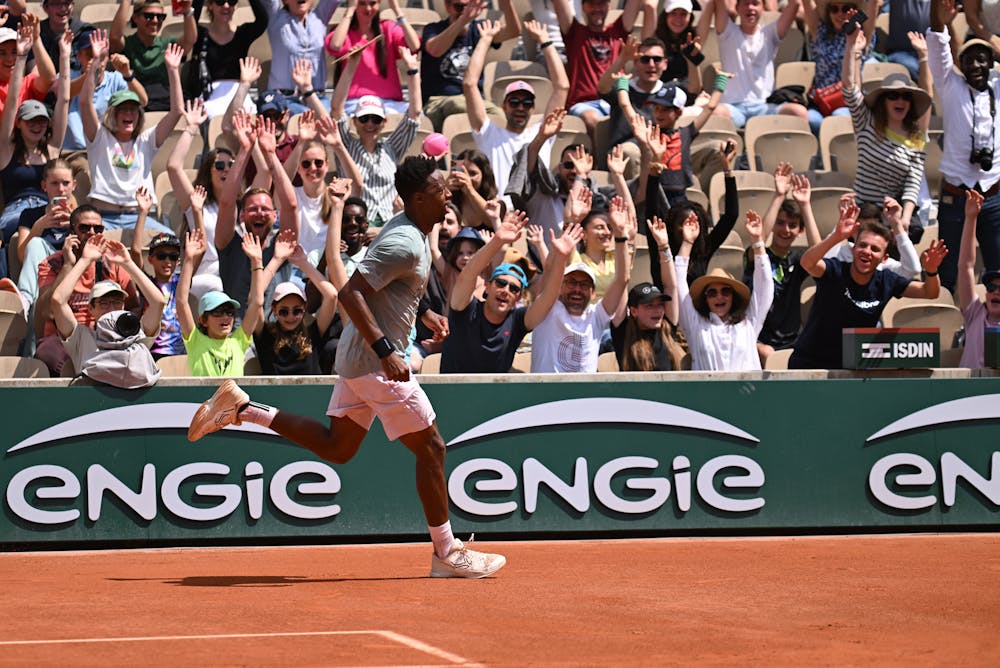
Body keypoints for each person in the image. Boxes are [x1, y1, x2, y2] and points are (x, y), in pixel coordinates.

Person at [188, 156, 507, 579]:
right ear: (416, 199)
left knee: (338, 447)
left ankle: (243, 409)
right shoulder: (405, 241)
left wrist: (424, 313)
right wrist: (386, 348)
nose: (447, 196)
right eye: (439, 192)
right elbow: (351, 291)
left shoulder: (405, 227)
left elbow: (384, 290)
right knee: (432, 448)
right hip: (375, 363)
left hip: (359, 361)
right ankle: (447, 552)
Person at [789, 200, 949, 369]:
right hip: (810, 364)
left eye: (875, 249)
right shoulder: (835, 271)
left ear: (884, 258)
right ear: (853, 249)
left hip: (853, 369)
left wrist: (931, 271)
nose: (867, 251)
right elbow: (808, 263)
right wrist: (836, 236)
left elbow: (929, 292)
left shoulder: (887, 280)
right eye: (862, 245)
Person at [441, 211, 583, 373]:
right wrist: (497, 241)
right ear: (487, 286)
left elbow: (548, 299)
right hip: (453, 395)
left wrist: (562, 259)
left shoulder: (517, 321)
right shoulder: (464, 309)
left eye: (514, 288)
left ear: (518, 299)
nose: (506, 290)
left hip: (495, 396)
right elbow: (468, 275)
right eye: (501, 283)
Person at [927, 0, 1000, 291]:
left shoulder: (998, 86)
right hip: (955, 195)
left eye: (983, 58)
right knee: (947, 271)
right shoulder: (950, 85)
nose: (976, 65)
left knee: (997, 273)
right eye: (969, 59)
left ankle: (994, 332)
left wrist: (990, 40)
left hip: (993, 196)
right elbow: (937, 46)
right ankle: (945, 328)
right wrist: (939, 17)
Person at [80, 30, 181, 233]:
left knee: (171, 241)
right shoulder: (99, 137)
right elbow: (84, 103)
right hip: (103, 219)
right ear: (112, 114)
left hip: (139, 217)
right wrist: (97, 63)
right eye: (123, 110)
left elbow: (177, 111)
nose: (129, 114)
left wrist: (173, 70)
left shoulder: (146, 141)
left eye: (133, 110)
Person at [463, 19, 569, 202]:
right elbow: (469, 83)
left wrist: (545, 41)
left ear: (533, 108)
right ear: (503, 106)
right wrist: (486, 39)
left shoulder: (542, 132)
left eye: (527, 103)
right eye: (514, 101)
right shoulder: (489, 133)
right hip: (497, 214)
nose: (520, 107)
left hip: (535, 216)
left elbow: (562, 87)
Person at [842, 28, 930, 236]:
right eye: (893, 96)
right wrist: (852, 49)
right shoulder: (866, 121)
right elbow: (849, 86)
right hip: (862, 218)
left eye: (906, 97)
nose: (900, 101)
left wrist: (905, 220)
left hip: (892, 220)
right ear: (883, 101)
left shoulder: (915, 136)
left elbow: (913, 182)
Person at [530, 195, 631, 373]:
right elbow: (550, 269)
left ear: (593, 294)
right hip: (545, 398)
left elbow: (622, 278)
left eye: (584, 285)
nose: (577, 289)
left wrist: (621, 234)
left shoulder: (596, 316)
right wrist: (571, 222)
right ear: (560, 286)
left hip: (583, 399)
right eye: (572, 282)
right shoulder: (546, 311)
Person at [33, 205, 138, 375]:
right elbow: (46, 311)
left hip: (105, 337)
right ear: (71, 231)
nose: (91, 232)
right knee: (54, 354)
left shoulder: (112, 264)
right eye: (84, 228)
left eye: (98, 228)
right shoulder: (52, 264)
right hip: (63, 339)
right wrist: (68, 265)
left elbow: (133, 305)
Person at [328, 47, 423, 227]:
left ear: (384, 122)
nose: (370, 124)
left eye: (376, 119)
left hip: (390, 221)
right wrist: (352, 65)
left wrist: (412, 71)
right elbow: (336, 109)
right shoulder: (346, 144)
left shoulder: (391, 147)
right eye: (364, 118)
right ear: (355, 121)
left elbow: (414, 114)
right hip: (355, 224)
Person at [215, 114, 298, 316]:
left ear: (274, 215)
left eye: (265, 209)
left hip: (276, 329)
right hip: (237, 329)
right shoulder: (230, 243)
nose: (259, 213)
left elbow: (291, 206)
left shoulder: (283, 243)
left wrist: (271, 155)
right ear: (242, 216)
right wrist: (245, 150)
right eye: (252, 209)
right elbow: (226, 203)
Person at [51, 234, 165, 372]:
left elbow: (158, 303)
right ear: (91, 308)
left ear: (123, 306)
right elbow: (58, 300)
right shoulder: (80, 337)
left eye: (117, 302)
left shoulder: (135, 334)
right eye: (104, 303)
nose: (112, 308)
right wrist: (85, 260)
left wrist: (127, 264)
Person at [675, 210, 773, 370]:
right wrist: (687, 243)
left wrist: (757, 242)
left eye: (725, 292)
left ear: (733, 297)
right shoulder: (695, 324)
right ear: (705, 298)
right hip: (707, 394)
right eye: (712, 293)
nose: (719, 297)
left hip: (746, 394)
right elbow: (678, 284)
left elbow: (765, 286)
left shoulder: (749, 323)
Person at [743, 164, 821, 366]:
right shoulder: (757, 255)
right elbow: (759, 237)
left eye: (792, 225)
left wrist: (805, 205)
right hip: (757, 339)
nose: (785, 229)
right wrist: (779, 195)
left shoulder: (798, 259)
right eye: (781, 223)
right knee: (768, 354)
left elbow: (819, 253)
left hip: (792, 341)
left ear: (800, 231)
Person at [0, 19, 66, 249]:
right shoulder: (6, 149)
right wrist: (20, 58)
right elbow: (10, 105)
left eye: (41, 121)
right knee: (20, 234)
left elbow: (63, 102)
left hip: (49, 207)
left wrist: (65, 59)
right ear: (19, 124)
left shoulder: (51, 149)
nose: (37, 126)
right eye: (30, 121)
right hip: (16, 212)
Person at [419, 0, 521, 131]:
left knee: (500, 115)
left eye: (468, 7)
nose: (465, 11)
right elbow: (435, 50)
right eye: (459, 6)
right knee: (458, 104)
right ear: (447, 7)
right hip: (437, 101)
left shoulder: (480, 29)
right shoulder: (433, 29)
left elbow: (513, 31)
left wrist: (506, 3)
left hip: (474, 99)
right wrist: (463, 20)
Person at [551, 0, 642, 138]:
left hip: (615, 101)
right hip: (584, 103)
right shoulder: (574, 32)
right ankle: (599, 159)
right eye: (591, 4)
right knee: (592, 119)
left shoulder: (618, 31)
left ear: (609, 6)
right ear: (582, 7)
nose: (597, 8)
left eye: (601, 3)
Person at [712, 0, 809, 128]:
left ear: (763, 8)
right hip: (732, 107)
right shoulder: (727, 32)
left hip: (764, 107)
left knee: (798, 112)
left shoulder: (770, 33)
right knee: (716, 112)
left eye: (755, 3)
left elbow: (795, 3)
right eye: (746, 3)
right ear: (737, 8)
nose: (750, 8)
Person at [611, 215, 686, 371]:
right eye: (649, 305)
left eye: (659, 305)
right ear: (634, 311)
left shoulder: (666, 328)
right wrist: (626, 242)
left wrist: (664, 246)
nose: (658, 310)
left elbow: (671, 286)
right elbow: (621, 281)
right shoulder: (623, 332)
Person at [324, 0, 420, 116]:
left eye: (373, 3)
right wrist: (350, 10)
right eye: (362, 3)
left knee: (418, 117)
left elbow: (414, 46)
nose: (368, 9)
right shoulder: (345, 32)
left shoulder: (387, 28)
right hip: (355, 103)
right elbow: (336, 45)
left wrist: (396, 10)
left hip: (391, 104)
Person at [252, 247, 338, 375]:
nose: (291, 317)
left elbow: (332, 296)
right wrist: (277, 260)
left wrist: (303, 263)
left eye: (297, 311)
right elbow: (256, 299)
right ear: (274, 309)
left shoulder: (313, 333)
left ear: (304, 309)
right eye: (284, 312)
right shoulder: (265, 335)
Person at [801, 0, 877, 133]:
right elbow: (806, 3)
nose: (840, 14)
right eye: (834, 9)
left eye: (846, 9)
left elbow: (874, 3)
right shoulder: (820, 31)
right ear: (828, 12)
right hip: (822, 101)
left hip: (847, 103)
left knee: (839, 117)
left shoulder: (860, 35)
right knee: (810, 119)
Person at [185, 0, 268, 116]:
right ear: (210, 4)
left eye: (232, 1)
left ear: (236, 6)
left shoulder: (243, 34)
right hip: (208, 95)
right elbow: (192, 19)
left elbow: (262, 21)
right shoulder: (199, 35)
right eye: (219, 1)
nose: (226, 6)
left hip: (239, 91)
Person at [110, 0, 197, 111]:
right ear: (135, 18)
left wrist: (187, 11)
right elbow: (114, 37)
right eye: (148, 16)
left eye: (160, 17)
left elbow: (190, 40)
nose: (155, 21)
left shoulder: (167, 45)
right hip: (137, 102)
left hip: (166, 101)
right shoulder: (128, 44)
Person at [130, 188, 185, 360]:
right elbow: (135, 252)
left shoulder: (182, 282)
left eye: (173, 256)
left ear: (179, 261)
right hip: (153, 353)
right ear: (151, 259)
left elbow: (200, 251)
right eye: (161, 256)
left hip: (182, 352)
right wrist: (143, 213)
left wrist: (197, 212)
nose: (167, 261)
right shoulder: (148, 284)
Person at [260, 0, 340, 114]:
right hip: (285, 99)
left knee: (330, 122)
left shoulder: (319, 17)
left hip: (318, 98)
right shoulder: (276, 17)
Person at [957, 190, 1000, 368]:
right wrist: (971, 218)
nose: (995, 292)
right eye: (991, 287)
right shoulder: (975, 313)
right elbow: (966, 265)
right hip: (967, 395)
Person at [641, 0, 705, 99]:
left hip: (689, 96)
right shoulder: (655, 39)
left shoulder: (694, 38)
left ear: (690, 17)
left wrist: (692, 57)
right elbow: (650, 6)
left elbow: (709, 5)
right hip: (661, 98)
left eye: (683, 14)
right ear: (665, 15)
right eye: (673, 13)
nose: (678, 19)